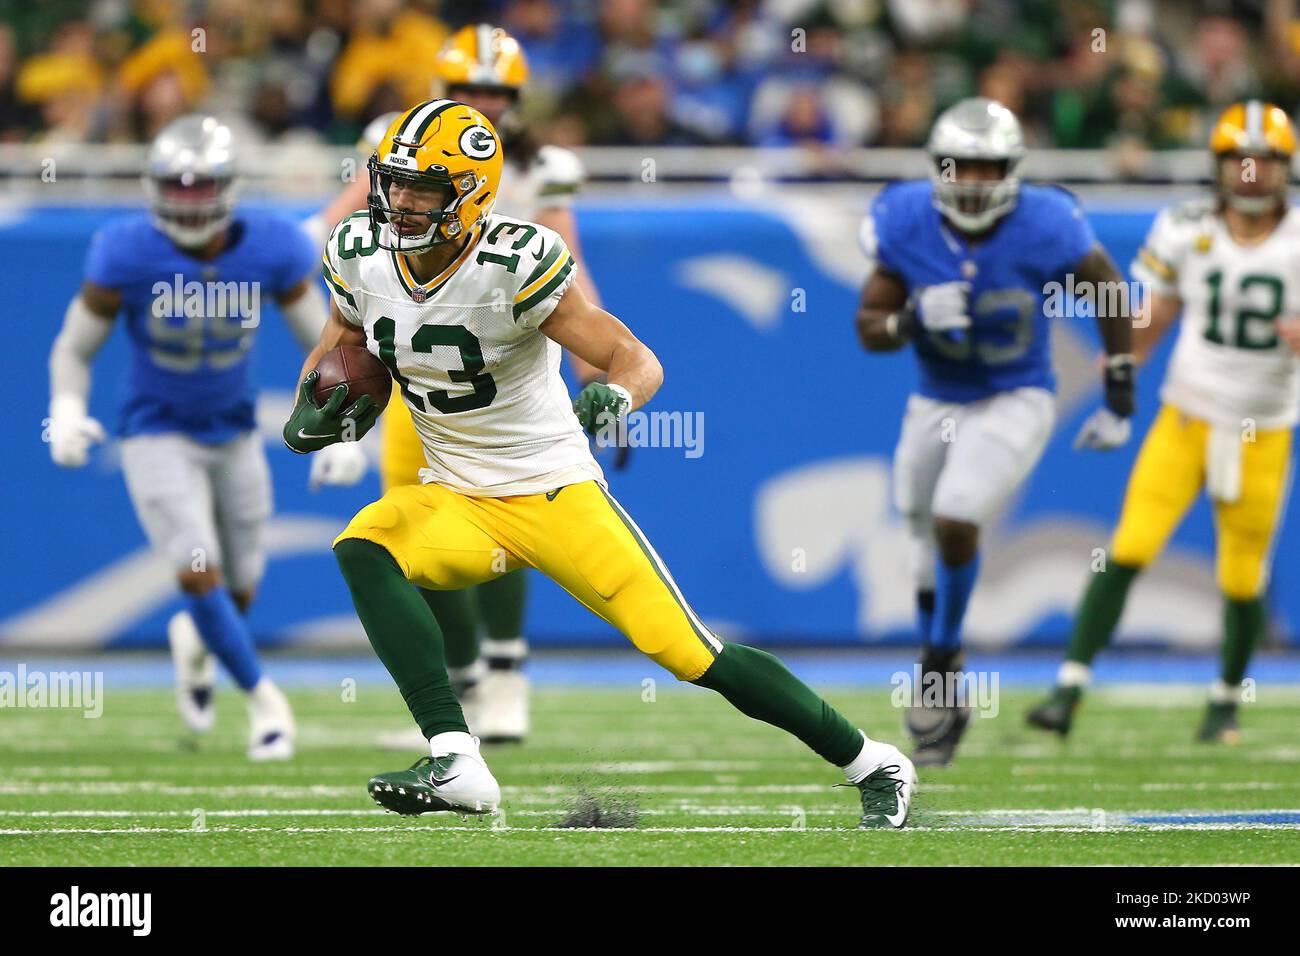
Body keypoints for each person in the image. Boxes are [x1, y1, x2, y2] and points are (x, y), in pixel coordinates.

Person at [284, 99, 916, 827]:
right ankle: (458, 757)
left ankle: (874, 762)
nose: (402, 202)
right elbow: (342, 336)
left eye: (425, 188)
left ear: (472, 194)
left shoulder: (512, 263)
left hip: (553, 493)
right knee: (365, 546)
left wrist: (613, 398)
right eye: (393, 183)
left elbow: (633, 358)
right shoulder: (359, 251)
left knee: (688, 653)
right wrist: (318, 402)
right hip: (455, 496)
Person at [305, 24, 606, 745]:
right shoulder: (397, 142)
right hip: (419, 361)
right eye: (468, 89)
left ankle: (505, 678)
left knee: (512, 510)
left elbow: (570, 261)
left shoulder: (539, 165)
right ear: (440, 90)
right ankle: (464, 688)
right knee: (415, 528)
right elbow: (336, 228)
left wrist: (599, 364)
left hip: (506, 361)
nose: (483, 102)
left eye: (496, 92)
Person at [855, 97, 1137, 766]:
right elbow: (870, 327)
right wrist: (912, 321)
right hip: (936, 398)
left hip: (1016, 395)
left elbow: (1107, 288)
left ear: (1010, 170)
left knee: (957, 516)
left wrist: (1119, 384)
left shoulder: (1047, 223)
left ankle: (940, 661)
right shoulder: (904, 219)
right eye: (961, 168)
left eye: (988, 169)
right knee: (922, 537)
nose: (974, 182)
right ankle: (944, 679)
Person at [46, 115, 336, 758]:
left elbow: (325, 346)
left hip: (232, 432)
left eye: (199, 187)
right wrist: (65, 408)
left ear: (228, 187)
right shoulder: (124, 250)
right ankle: (267, 704)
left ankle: (196, 640)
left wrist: (339, 429)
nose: (187, 200)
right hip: (156, 432)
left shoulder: (271, 245)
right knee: (197, 567)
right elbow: (75, 345)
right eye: (174, 187)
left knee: (240, 583)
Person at [1028, 102, 1300, 743]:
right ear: (1220, 165)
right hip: (1189, 412)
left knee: (1241, 574)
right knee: (1129, 547)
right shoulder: (1185, 227)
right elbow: (1159, 314)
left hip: (1265, 425)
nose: (1253, 173)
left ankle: (1225, 703)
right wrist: (1123, 359)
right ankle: (1068, 690)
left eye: (1266, 161)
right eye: (1241, 159)